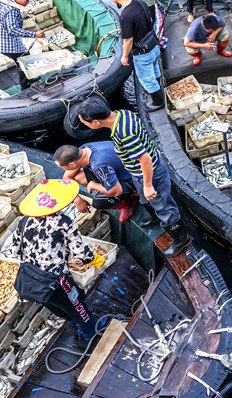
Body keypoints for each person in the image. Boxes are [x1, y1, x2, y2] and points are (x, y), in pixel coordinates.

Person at [77, 96, 190, 256]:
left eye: (85, 122)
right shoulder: (122, 114)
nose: (84, 125)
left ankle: (181, 239)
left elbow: (145, 159)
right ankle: (156, 218)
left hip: (150, 173)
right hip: (137, 172)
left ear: (95, 122)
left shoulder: (124, 134)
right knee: (146, 200)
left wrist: (148, 184)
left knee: (164, 207)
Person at [10, 179, 108, 340]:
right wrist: (94, 259)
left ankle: (76, 325)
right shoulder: (63, 222)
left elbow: (14, 250)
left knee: (57, 306)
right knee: (77, 305)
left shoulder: (23, 221)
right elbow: (80, 252)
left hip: (31, 281)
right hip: (55, 280)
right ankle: (90, 331)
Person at [104, 0, 164, 111]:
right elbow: (151, 20)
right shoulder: (140, 2)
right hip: (153, 44)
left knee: (147, 78)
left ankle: (158, 102)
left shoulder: (125, 16)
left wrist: (124, 56)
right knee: (155, 70)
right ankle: (158, 90)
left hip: (143, 53)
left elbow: (128, 40)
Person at [55, 142, 138, 224]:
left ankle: (128, 200)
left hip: (133, 179)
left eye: (63, 167)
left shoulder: (99, 166)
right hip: (118, 168)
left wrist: (93, 185)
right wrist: (76, 198)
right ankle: (107, 186)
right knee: (79, 177)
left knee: (98, 203)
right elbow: (67, 178)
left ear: (71, 164)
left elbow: (117, 191)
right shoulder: (85, 149)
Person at [0, 0, 45, 88]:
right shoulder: (12, 9)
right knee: (24, 59)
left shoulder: (3, 4)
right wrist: (34, 34)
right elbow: (13, 29)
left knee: (23, 58)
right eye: (27, 0)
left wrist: (1, 25)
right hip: (7, 43)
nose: (28, 3)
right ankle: (25, 85)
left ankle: (30, 78)